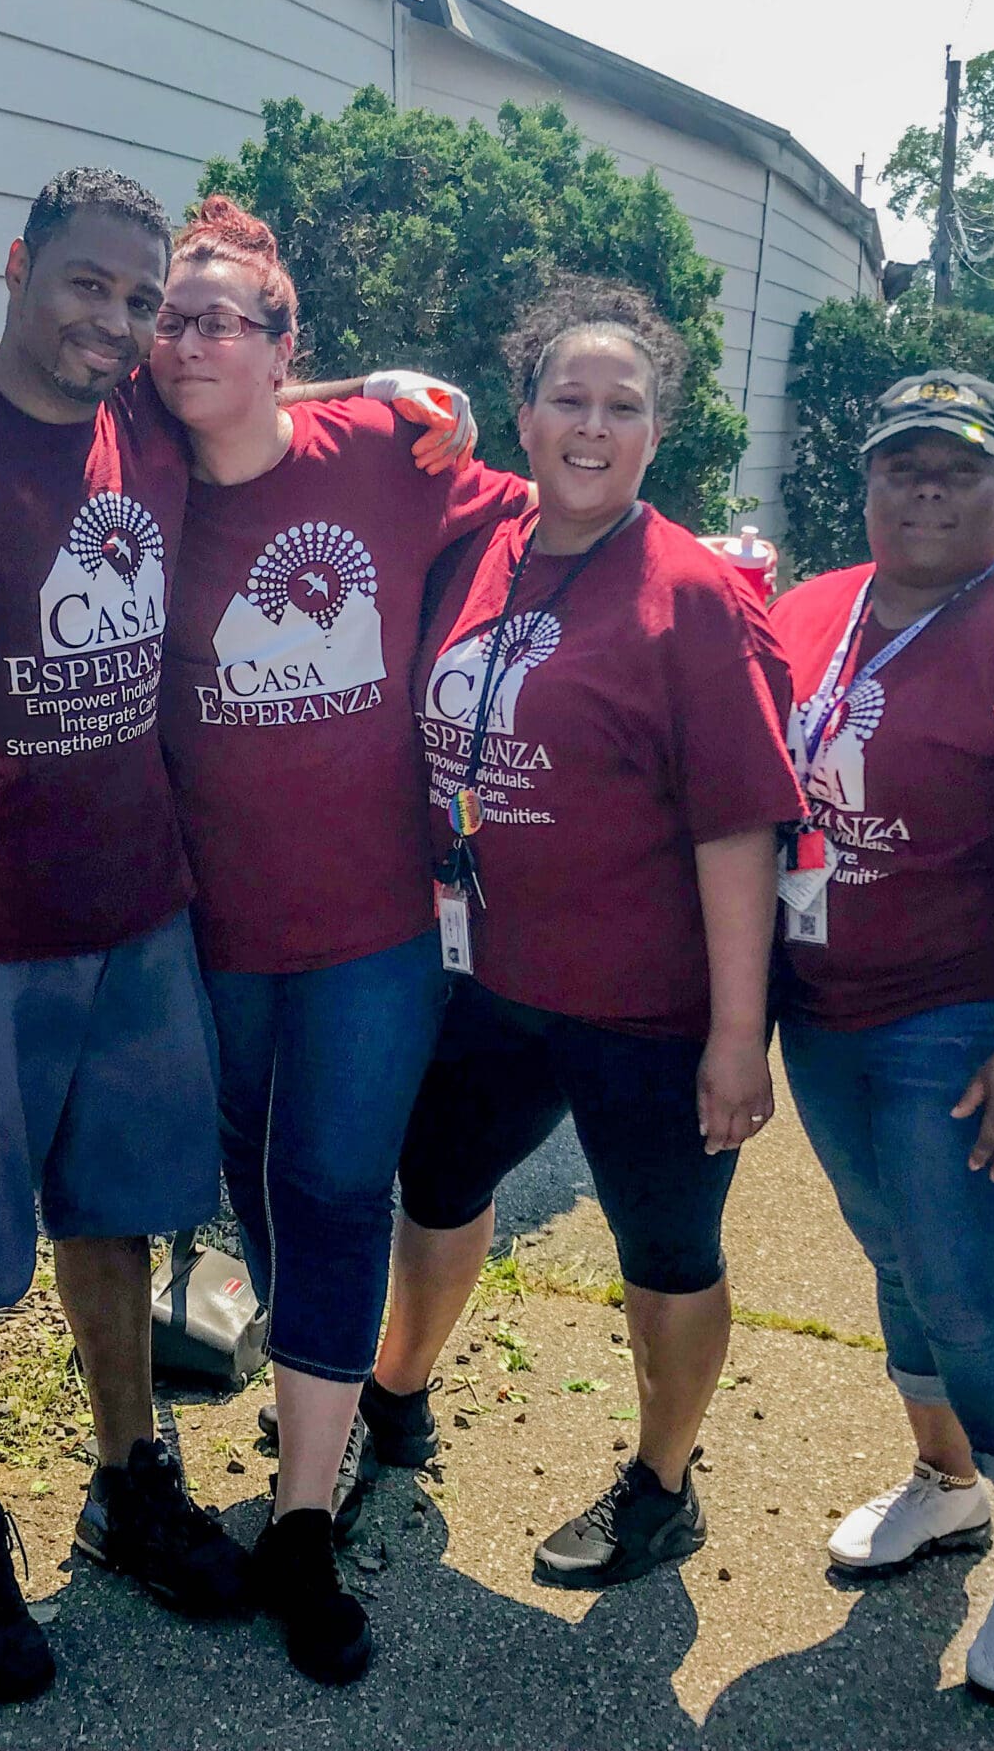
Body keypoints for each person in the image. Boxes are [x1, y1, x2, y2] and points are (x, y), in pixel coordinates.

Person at [0, 168, 477, 1702]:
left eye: (139, 300)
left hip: (139, 908)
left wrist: (374, 382)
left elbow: (248, 374)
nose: (118, 325)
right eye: (90, 289)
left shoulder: (152, 423)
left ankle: (129, 1479)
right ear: (18, 267)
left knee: (109, 1215)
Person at [371, 275, 804, 1589]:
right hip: (491, 978)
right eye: (570, 397)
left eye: (624, 406)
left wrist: (737, 1039)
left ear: (656, 435)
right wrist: (375, 388)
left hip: (647, 1005)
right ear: (525, 412)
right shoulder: (484, 544)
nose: (594, 424)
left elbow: (740, 829)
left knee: (664, 1253)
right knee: (439, 1188)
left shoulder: (690, 596)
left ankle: (664, 1482)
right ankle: (396, 1391)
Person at [151, 198, 530, 1683]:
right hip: (216, 927)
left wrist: (389, 397)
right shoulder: (144, 472)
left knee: (335, 1178)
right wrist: (349, 376)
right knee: (250, 1167)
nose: (187, 342)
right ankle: (311, 1381)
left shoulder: (387, 457)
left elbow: (528, 513)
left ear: (280, 341)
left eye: (223, 320)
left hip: (373, 922)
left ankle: (301, 1515)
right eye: (173, 320)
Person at [767, 372, 994, 1697]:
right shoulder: (809, 612)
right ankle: (944, 1480)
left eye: (957, 469)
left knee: (969, 1290)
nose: (926, 490)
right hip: (825, 1013)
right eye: (902, 466)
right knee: (893, 1255)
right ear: (866, 484)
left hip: (962, 1020)